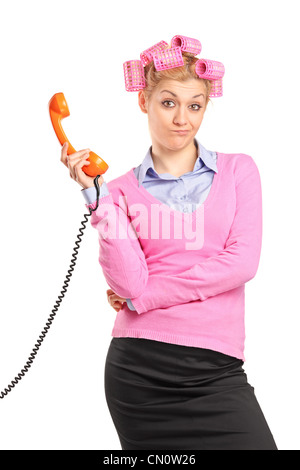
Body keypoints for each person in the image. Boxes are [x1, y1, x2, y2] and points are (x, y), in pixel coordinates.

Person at [60, 36, 278, 450]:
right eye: (168, 102)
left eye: (194, 105)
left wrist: (148, 297)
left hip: (217, 368)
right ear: (144, 101)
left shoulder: (239, 172)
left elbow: (241, 263)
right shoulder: (119, 191)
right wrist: (96, 197)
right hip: (138, 370)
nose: (182, 118)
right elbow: (128, 285)